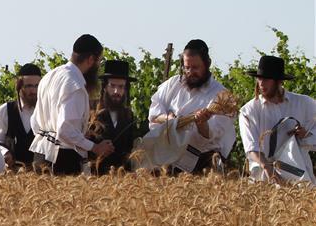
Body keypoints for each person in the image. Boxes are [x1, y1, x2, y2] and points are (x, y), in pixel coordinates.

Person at [147, 39, 235, 174]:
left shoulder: (221, 96)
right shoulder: (173, 84)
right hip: (167, 158)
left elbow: (212, 136)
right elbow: (154, 115)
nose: (190, 72)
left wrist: (202, 124)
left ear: (208, 64)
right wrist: (170, 120)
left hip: (202, 164)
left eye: (195, 68)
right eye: (187, 67)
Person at [30, 34, 113, 175]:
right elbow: (64, 130)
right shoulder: (75, 85)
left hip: (40, 155)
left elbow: (34, 122)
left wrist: (79, 134)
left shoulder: (50, 76)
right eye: (99, 61)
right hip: (62, 160)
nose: (98, 66)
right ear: (91, 59)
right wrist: (94, 147)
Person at [239, 55, 316, 184]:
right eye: (259, 78)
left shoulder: (303, 103)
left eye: (266, 79)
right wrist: (269, 170)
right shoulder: (248, 111)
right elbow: (251, 148)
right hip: (263, 180)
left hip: (298, 176)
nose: (261, 83)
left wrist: (307, 134)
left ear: (279, 81)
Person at [87, 60, 137, 174]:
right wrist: (96, 147)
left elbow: (129, 149)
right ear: (104, 87)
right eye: (112, 86)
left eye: (121, 87)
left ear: (125, 89)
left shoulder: (129, 115)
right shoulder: (91, 110)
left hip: (122, 179)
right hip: (96, 178)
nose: (116, 91)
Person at [0, 63, 42, 169]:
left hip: (43, 177)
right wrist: (5, 152)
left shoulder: (48, 111)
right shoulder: (6, 110)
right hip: (12, 177)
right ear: (19, 86)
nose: (33, 91)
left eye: (37, 86)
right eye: (28, 86)